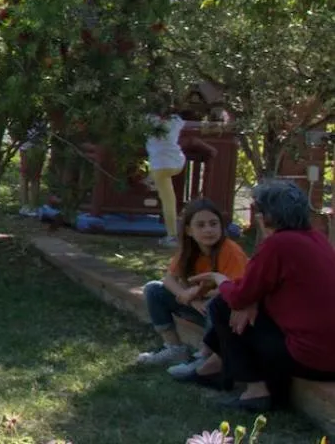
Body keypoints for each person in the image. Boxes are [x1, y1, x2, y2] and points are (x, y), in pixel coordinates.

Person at [187, 180, 335, 413]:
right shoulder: (317, 239)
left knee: (221, 305)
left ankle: (255, 392)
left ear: (269, 215)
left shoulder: (279, 244)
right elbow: (264, 288)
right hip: (328, 358)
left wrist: (219, 279)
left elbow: (237, 296)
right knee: (240, 304)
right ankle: (212, 367)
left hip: (310, 359)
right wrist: (250, 300)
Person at [133, 198, 247, 370]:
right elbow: (169, 279)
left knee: (216, 305)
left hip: (226, 313)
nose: (208, 230)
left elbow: (239, 289)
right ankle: (174, 348)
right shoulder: (189, 250)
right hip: (198, 306)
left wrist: (197, 294)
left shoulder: (231, 251)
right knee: (153, 289)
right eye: (200, 225)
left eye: (213, 224)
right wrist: (190, 298)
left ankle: (204, 357)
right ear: (189, 230)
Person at [145, 112, 187, 248]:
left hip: (159, 165)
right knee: (170, 198)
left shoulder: (148, 119)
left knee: (168, 201)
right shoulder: (176, 119)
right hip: (177, 162)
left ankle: (172, 236)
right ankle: (151, 180)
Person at [17, 121, 47, 217]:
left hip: (39, 142)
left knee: (35, 176)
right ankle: (25, 206)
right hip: (27, 143)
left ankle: (33, 206)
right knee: (25, 174)